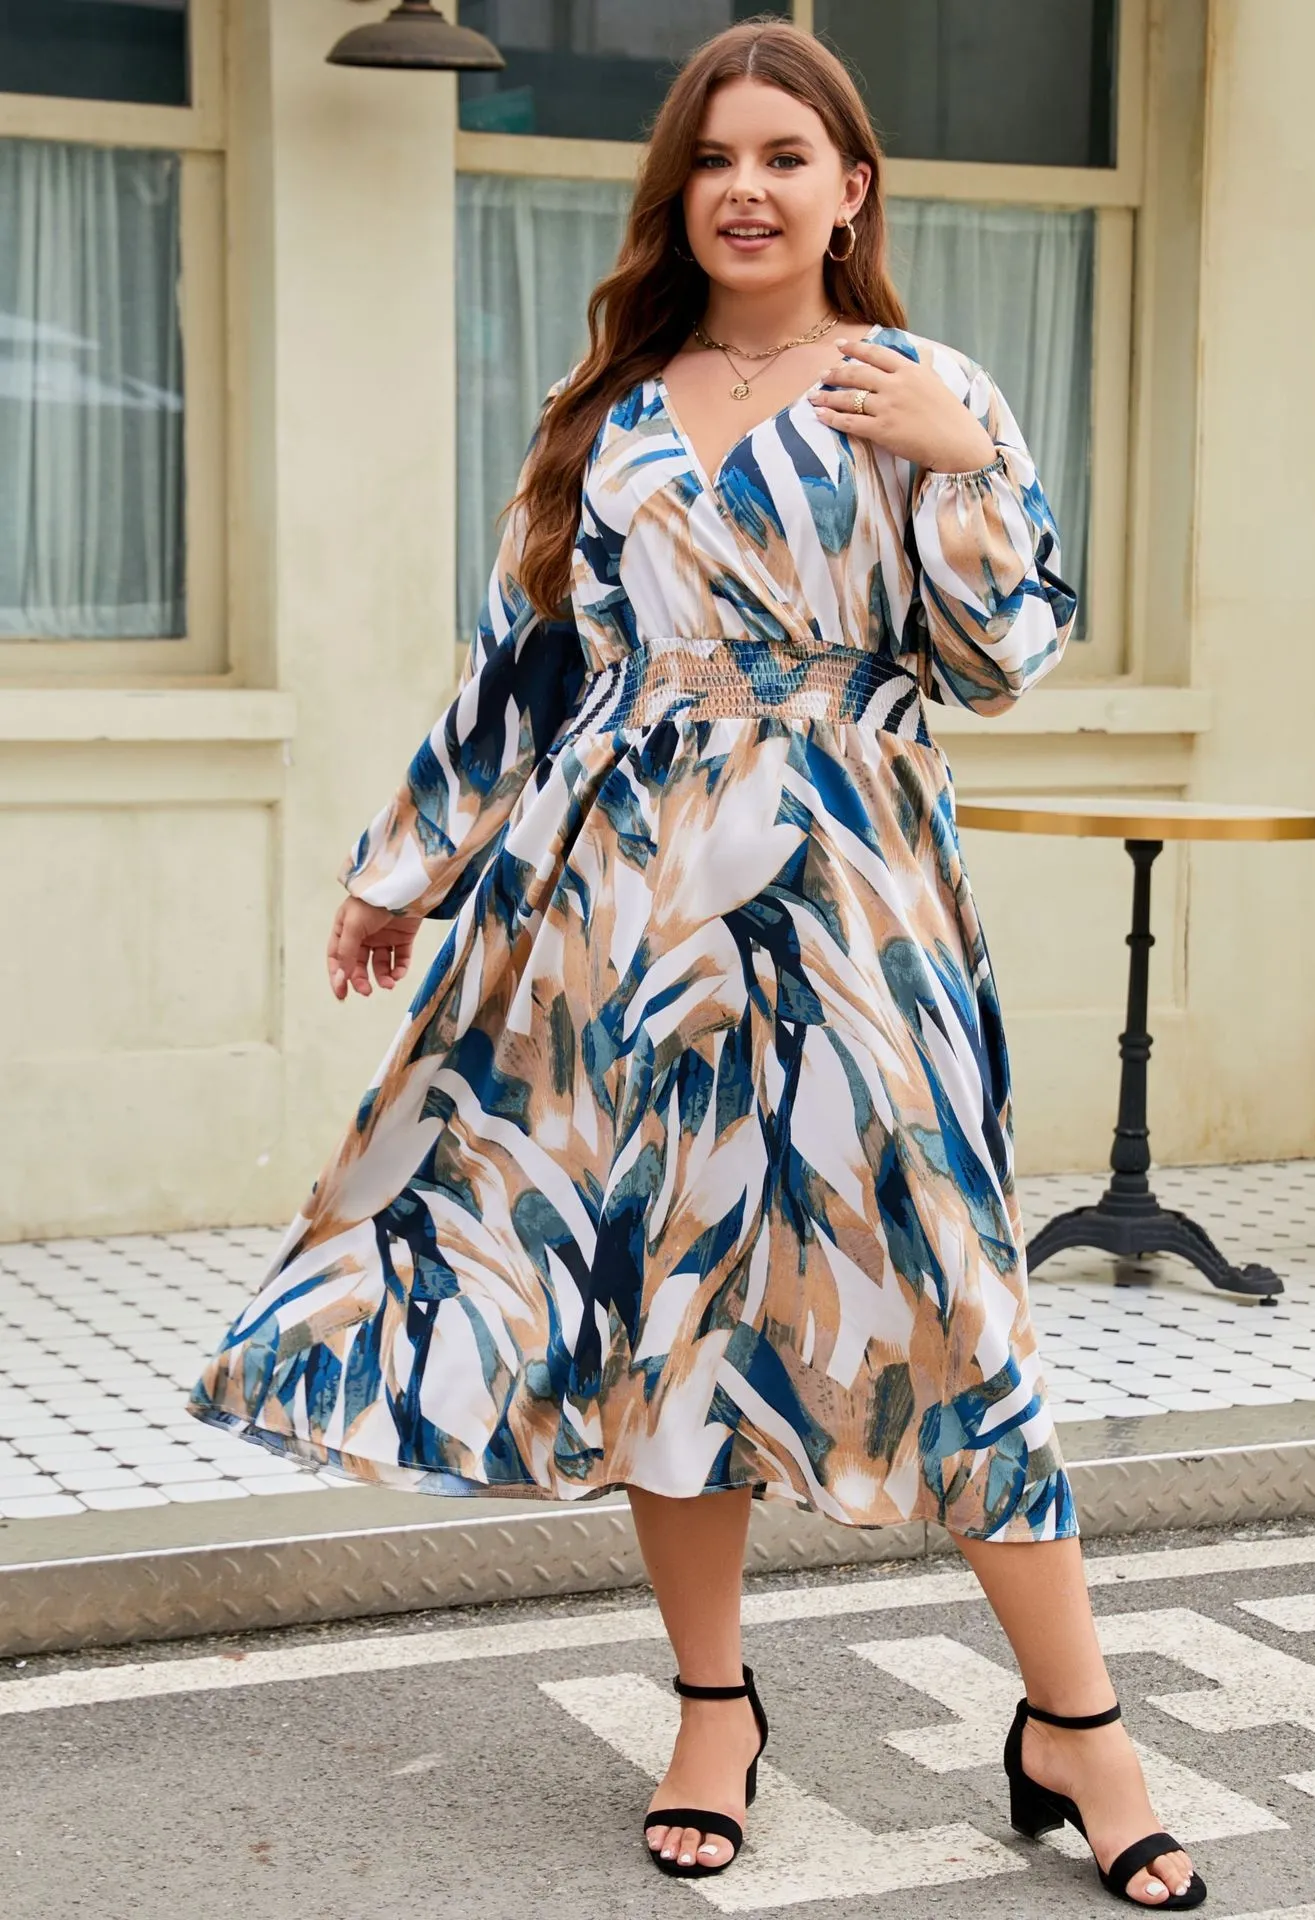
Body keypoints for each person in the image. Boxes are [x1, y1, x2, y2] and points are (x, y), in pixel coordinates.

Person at [189, 17, 1202, 1910]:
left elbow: (1003, 659)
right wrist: (400, 872)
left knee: (949, 1297)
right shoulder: (609, 410)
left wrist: (966, 465)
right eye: (714, 158)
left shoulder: (917, 386)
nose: (747, 188)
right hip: (621, 914)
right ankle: (714, 1707)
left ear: (851, 191)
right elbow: (520, 668)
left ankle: (1081, 1723)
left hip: (853, 904)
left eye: (785, 157)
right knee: (668, 1299)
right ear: (679, 193)